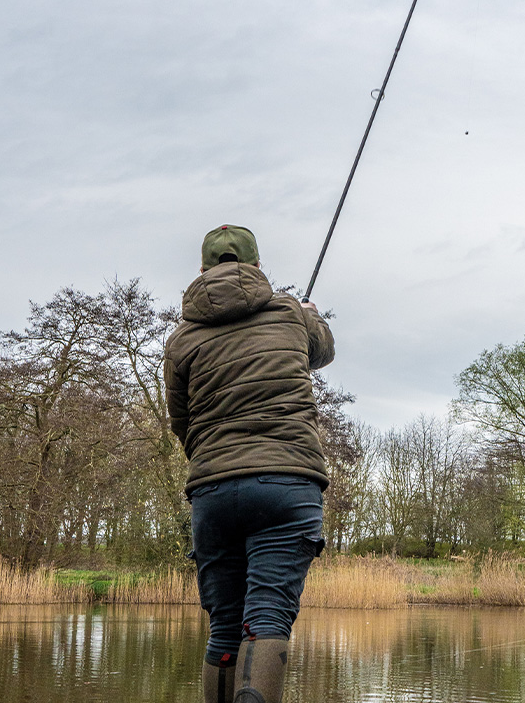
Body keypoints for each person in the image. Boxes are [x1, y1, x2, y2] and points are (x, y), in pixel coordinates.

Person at [163, 224, 334, 703]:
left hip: (213, 491)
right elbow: (322, 351)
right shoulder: (288, 313)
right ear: (257, 266)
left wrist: (214, 468)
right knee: (266, 620)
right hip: (287, 482)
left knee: (223, 628)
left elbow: (183, 423)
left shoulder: (181, 340)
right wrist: (310, 315)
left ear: (200, 271)